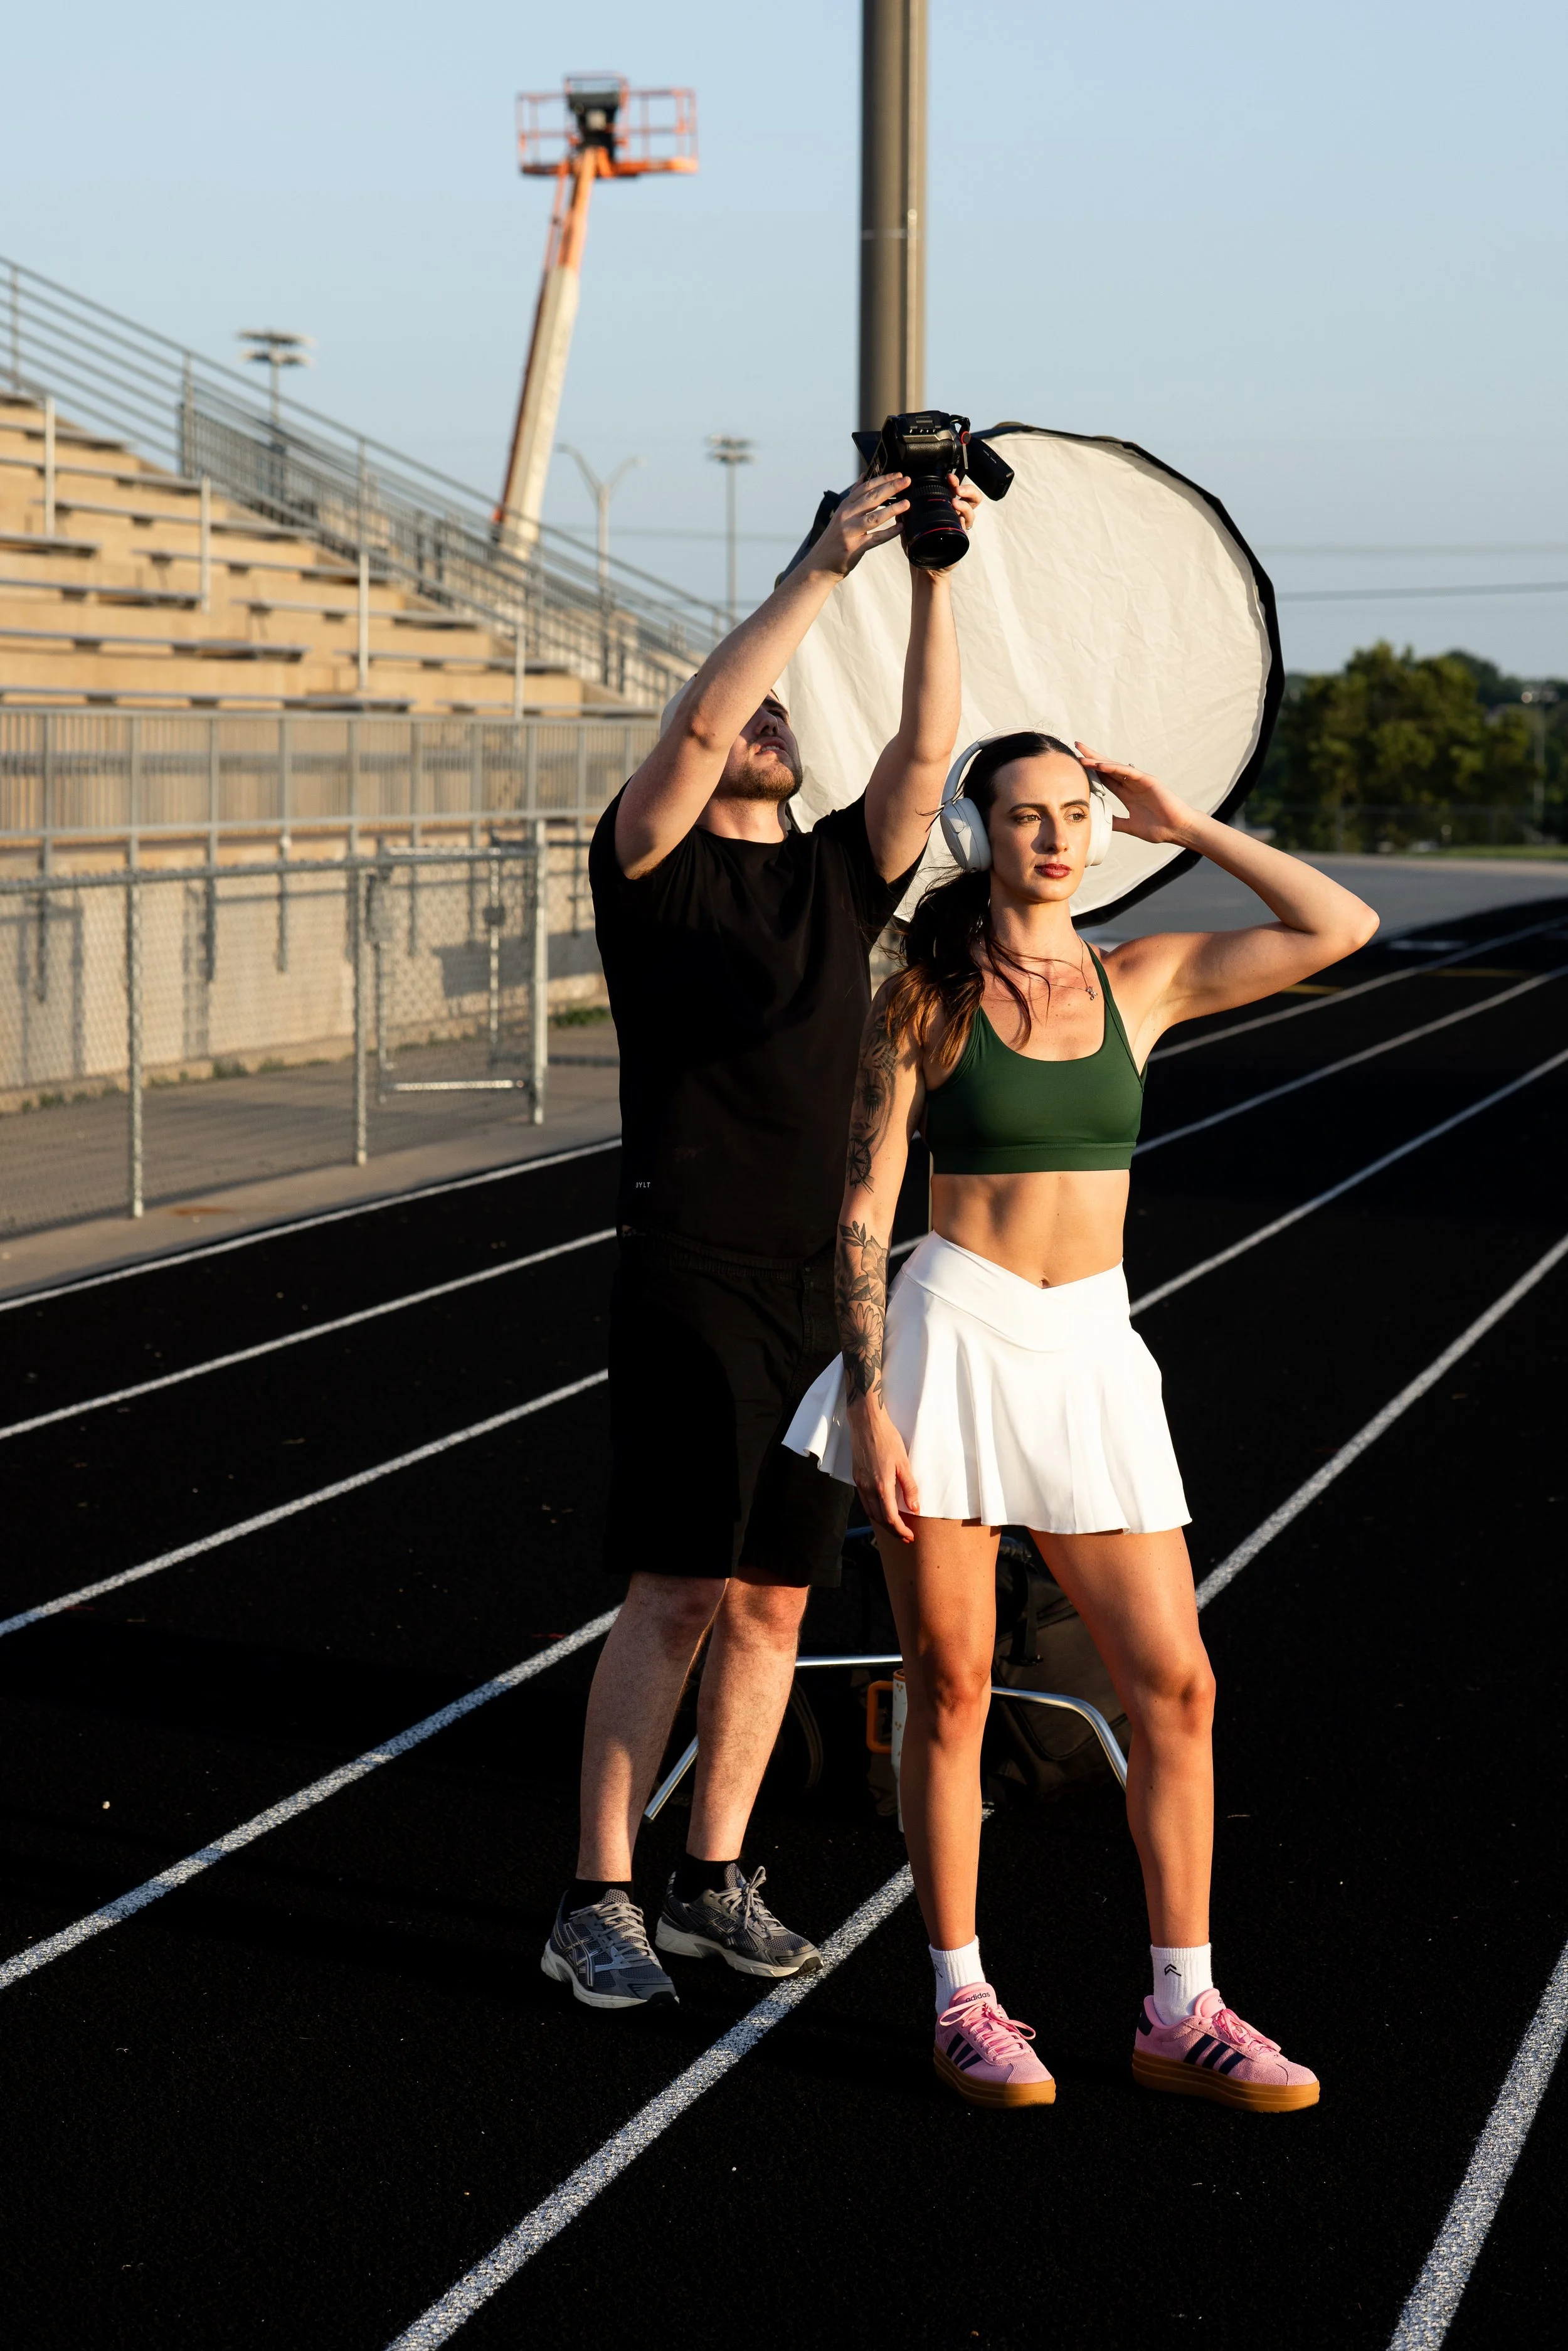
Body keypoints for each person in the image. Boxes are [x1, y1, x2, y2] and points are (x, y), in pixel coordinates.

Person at [788, 731, 1377, 2106]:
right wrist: (868, 1407)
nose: (1055, 836)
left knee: (1175, 1681)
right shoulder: (920, 999)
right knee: (948, 1680)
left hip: (1091, 1351)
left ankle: (1182, 2005)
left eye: (1074, 814)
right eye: (1023, 815)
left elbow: (1334, 922)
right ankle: (963, 1996)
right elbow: (861, 1215)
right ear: (977, 832)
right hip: (950, 1338)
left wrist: (1187, 821)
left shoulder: (1144, 976)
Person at [542, 467, 981, 2010]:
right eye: (750, 717)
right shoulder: (649, 868)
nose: (767, 723)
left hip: (814, 1278)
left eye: (787, 717)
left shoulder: (836, 873)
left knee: (777, 1600)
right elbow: (689, 733)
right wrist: (818, 567)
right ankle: (595, 1891)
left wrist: (932, 569)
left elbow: (930, 748)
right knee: (672, 1587)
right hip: (688, 1264)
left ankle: (708, 1876)